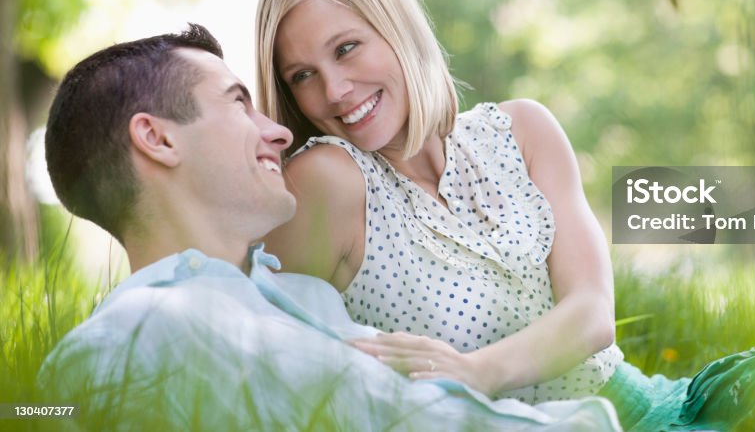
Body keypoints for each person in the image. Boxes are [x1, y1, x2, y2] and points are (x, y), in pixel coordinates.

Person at [254, 0, 755, 431]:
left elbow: (593, 311)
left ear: (396, 30)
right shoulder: (327, 181)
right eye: (302, 76)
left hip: (651, 407)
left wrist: (474, 371)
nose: (335, 91)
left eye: (346, 49)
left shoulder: (521, 130)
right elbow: (260, 360)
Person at [38, 24, 621, 431]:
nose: (282, 132)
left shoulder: (298, 296)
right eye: (240, 104)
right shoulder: (148, 325)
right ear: (158, 139)